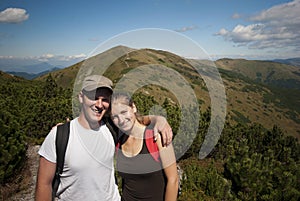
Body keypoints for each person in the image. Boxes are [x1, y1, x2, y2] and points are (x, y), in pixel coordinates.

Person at [35, 75, 173, 201]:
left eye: (104, 99)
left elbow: (133, 120)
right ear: (81, 97)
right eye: (94, 97)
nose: (99, 104)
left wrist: (159, 119)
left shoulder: (112, 129)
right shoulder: (60, 135)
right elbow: (44, 184)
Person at [110, 92, 178, 201]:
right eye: (115, 117)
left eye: (124, 112)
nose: (121, 120)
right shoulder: (118, 141)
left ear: (133, 107)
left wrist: (159, 119)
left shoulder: (156, 137)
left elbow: (173, 180)